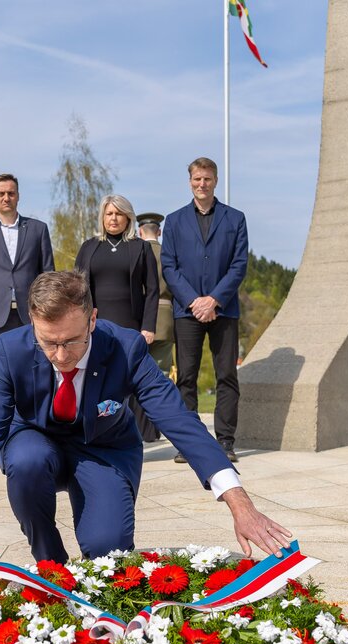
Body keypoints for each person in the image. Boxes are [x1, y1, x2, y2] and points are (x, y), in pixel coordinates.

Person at [0, 271, 291, 569]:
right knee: (25, 460)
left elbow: (178, 420)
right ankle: (51, 566)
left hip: (103, 448)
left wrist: (239, 504)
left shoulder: (125, 348)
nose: (61, 356)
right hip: (35, 441)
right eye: (48, 343)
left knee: (107, 551)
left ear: (92, 320)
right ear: (33, 323)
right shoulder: (11, 350)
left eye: (72, 341)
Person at [161, 157, 247, 464]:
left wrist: (214, 300)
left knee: (226, 376)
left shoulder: (235, 219)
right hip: (187, 311)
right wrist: (194, 301)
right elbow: (169, 267)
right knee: (186, 377)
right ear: (190, 181)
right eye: (197, 179)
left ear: (216, 180)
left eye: (207, 179)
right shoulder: (173, 221)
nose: (202, 184)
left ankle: (225, 441)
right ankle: (190, 442)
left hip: (224, 310)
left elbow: (239, 265)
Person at [75, 194, 159, 443]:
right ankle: (101, 430)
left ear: (128, 217)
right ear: (102, 217)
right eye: (109, 213)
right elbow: (78, 288)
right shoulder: (89, 247)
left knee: (130, 381)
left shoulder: (140, 247)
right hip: (96, 327)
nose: (113, 218)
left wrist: (148, 326)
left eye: (119, 213)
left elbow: (152, 289)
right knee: (100, 382)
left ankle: (140, 434)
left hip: (132, 326)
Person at [0, 173, 55, 364]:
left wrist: (49, 312)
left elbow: (48, 276)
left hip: (32, 315)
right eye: (1, 194)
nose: (6, 198)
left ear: (18, 195)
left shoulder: (38, 229)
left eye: (10, 193)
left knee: (34, 371)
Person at [138, 213, 175, 378]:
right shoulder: (169, 255)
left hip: (139, 317)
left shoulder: (135, 253)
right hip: (165, 318)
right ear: (159, 232)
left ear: (140, 232)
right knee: (162, 374)